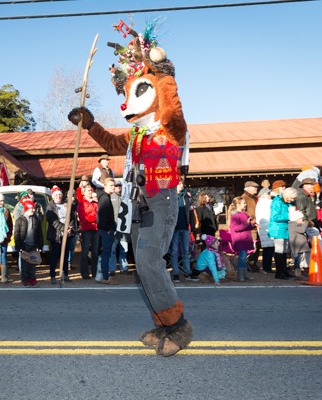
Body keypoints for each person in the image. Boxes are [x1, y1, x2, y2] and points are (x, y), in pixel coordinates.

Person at [68, 27, 193, 356]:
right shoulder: (136, 134)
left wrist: (164, 75)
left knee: (150, 259)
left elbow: (172, 108)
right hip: (136, 203)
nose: (127, 102)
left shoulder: (169, 127)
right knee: (142, 262)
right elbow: (110, 144)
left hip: (162, 199)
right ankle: (163, 323)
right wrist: (90, 124)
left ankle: (179, 328)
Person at [46, 185, 77, 284]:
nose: (58, 197)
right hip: (56, 235)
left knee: (66, 254)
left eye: (60, 195)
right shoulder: (50, 206)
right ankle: (53, 275)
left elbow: (71, 216)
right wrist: (64, 228)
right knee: (55, 255)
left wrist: (70, 228)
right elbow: (52, 221)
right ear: (53, 196)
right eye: (56, 195)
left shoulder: (65, 204)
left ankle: (65, 274)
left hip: (67, 234)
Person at [269, 187, 299, 280]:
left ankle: (284, 271)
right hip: (278, 229)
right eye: (292, 198)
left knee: (284, 251)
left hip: (284, 228)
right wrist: (290, 216)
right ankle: (279, 272)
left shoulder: (285, 202)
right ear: (287, 195)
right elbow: (275, 217)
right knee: (279, 251)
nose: (292, 200)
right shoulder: (277, 202)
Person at [169, 182, 196, 282]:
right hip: (174, 227)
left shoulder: (186, 197)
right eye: (179, 183)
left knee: (186, 251)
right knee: (174, 252)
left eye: (182, 184)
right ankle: (176, 273)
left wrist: (192, 227)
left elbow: (191, 212)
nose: (182, 185)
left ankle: (187, 272)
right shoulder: (171, 196)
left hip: (185, 227)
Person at [14, 199, 44, 287]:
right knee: (24, 265)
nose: (33, 210)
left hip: (33, 245)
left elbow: (39, 233)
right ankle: (25, 280)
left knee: (32, 264)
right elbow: (16, 234)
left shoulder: (36, 219)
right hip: (24, 244)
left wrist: (40, 245)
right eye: (31, 208)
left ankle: (32, 279)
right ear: (26, 208)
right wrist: (19, 246)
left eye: (33, 208)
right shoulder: (20, 220)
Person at [228, 196, 256, 282]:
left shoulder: (244, 213)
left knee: (244, 257)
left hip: (245, 238)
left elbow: (247, 225)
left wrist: (253, 224)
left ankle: (244, 274)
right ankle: (240, 275)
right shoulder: (235, 215)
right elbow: (235, 228)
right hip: (240, 239)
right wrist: (247, 224)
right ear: (238, 204)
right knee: (242, 257)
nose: (245, 204)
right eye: (244, 203)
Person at [96, 178, 117, 284]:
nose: (113, 187)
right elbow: (102, 215)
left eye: (114, 185)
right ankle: (105, 276)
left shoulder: (106, 197)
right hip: (106, 230)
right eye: (110, 185)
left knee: (106, 253)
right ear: (105, 186)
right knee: (106, 253)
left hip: (106, 229)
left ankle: (104, 276)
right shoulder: (105, 198)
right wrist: (108, 229)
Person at [76, 184, 99, 280]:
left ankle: (95, 272)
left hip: (96, 229)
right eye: (88, 190)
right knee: (85, 252)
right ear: (84, 192)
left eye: (91, 190)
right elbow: (83, 218)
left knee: (95, 251)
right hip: (86, 229)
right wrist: (95, 218)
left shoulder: (95, 203)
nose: (90, 192)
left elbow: (99, 213)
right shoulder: (82, 204)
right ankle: (84, 273)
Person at [109, 180, 130, 275]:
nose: (118, 188)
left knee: (124, 249)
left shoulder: (125, 197)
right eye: (117, 186)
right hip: (113, 227)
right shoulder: (110, 197)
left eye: (120, 186)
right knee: (112, 249)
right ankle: (112, 269)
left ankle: (124, 268)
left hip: (123, 227)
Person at [242, 181, 260, 272]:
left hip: (255, 226)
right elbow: (242, 213)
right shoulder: (243, 199)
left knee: (256, 246)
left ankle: (253, 264)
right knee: (252, 247)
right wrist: (251, 221)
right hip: (249, 227)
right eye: (254, 187)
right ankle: (250, 264)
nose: (256, 189)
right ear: (247, 188)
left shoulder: (254, 198)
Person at [255, 187, 274, 274]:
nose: (270, 195)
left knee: (267, 249)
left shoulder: (260, 203)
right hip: (268, 227)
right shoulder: (266, 202)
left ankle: (267, 267)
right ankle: (267, 267)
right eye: (268, 194)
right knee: (269, 249)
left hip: (264, 228)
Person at [288, 208, 309, 276]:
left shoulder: (293, 224)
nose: (302, 220)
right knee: (297, 259)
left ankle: (297, 270)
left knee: (298, 258)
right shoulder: (293, 224)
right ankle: (297, 270)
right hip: (297, 244)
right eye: (301, 218)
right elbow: (302, 230)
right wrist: (305, 223)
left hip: (298, 244)